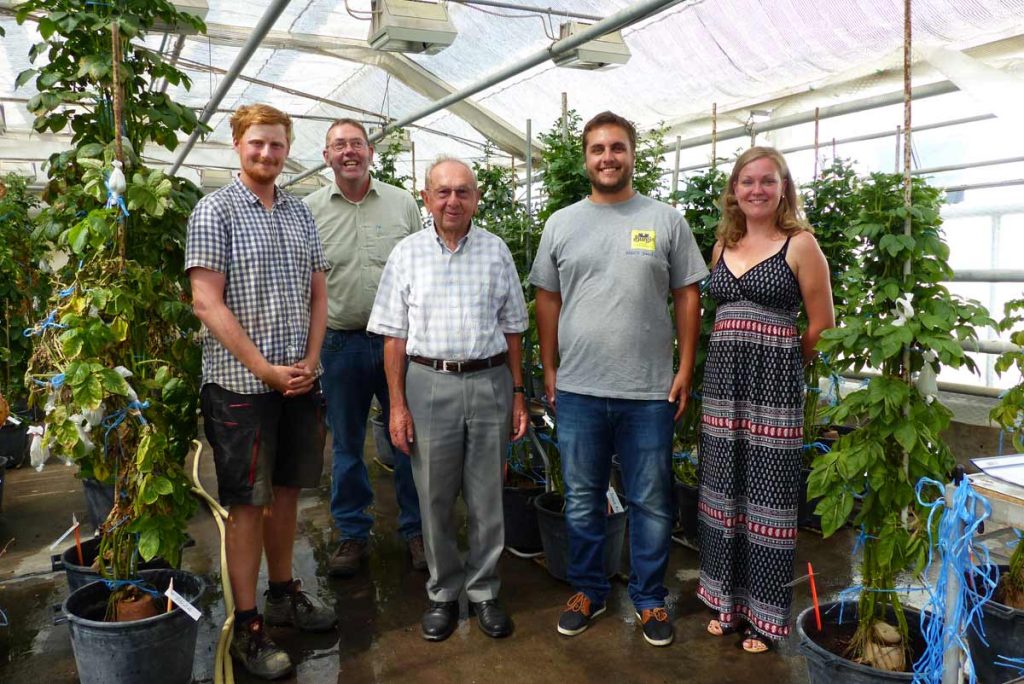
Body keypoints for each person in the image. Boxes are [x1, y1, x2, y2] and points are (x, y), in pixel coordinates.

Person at [529, 111, 708, 647]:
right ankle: (589, 589)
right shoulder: (562, 223)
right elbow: (547, 298)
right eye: (598, 149)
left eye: (617, 147)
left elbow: (687, 295)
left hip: (648, 392)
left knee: (651, 499)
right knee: (583, 498)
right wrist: (550, 366)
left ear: (632, 155)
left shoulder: (665, 220)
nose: (608, 157)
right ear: (585, 158)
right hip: (579, 390)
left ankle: (649, 598)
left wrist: (683, 368)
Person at [186, 104, 337, 680]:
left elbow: (318, 292)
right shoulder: (215, 210)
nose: (267, 153)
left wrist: (311, 360)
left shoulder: (299, 211)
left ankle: (282, 592)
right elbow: (207, 302)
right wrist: (265, 369)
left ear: (287, 149)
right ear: (237, 144)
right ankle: (248, 624)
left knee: (288, 491)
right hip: (240, 387)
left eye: (277, 145)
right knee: (248, 504)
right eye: (257, 143)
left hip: (298, 380)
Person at [368, 157, 529, 642]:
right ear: (426, 198)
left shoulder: (496, 251)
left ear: (476, 198)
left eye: (463, 192)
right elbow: (393, 336)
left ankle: (484, 592)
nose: (453, 201)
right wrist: (397, 405)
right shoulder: (407, 254)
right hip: (428, 382)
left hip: (489, 381)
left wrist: (518, 394)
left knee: (487, 497)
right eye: (443, 192)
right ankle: (442, 593)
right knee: (433, 495)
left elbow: (513, 329)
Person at [698, 146, 834, 653]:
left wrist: (784, 360)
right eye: (747, 181)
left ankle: (764, 618)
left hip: (774, 389)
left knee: (769, 502)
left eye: (768, 181)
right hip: (722, 387)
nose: (757, 189)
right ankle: (726, 604)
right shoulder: (722, 245)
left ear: (783, 188)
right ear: (734, 190)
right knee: (721, 496)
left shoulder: (801, 244)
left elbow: (822, 324)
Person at [304, 118, 426, 577]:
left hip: (400, 343)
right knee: (347, 444)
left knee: (407, 439)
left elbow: (422, 267)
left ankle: (417, 531)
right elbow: (305, 282)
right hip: (340, 343)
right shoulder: (310, 210)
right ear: (327, 156)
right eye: (339, 145)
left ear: (371, 152)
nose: (349, 152)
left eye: (356, 143)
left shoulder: (402, 203)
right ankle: (353, 534)